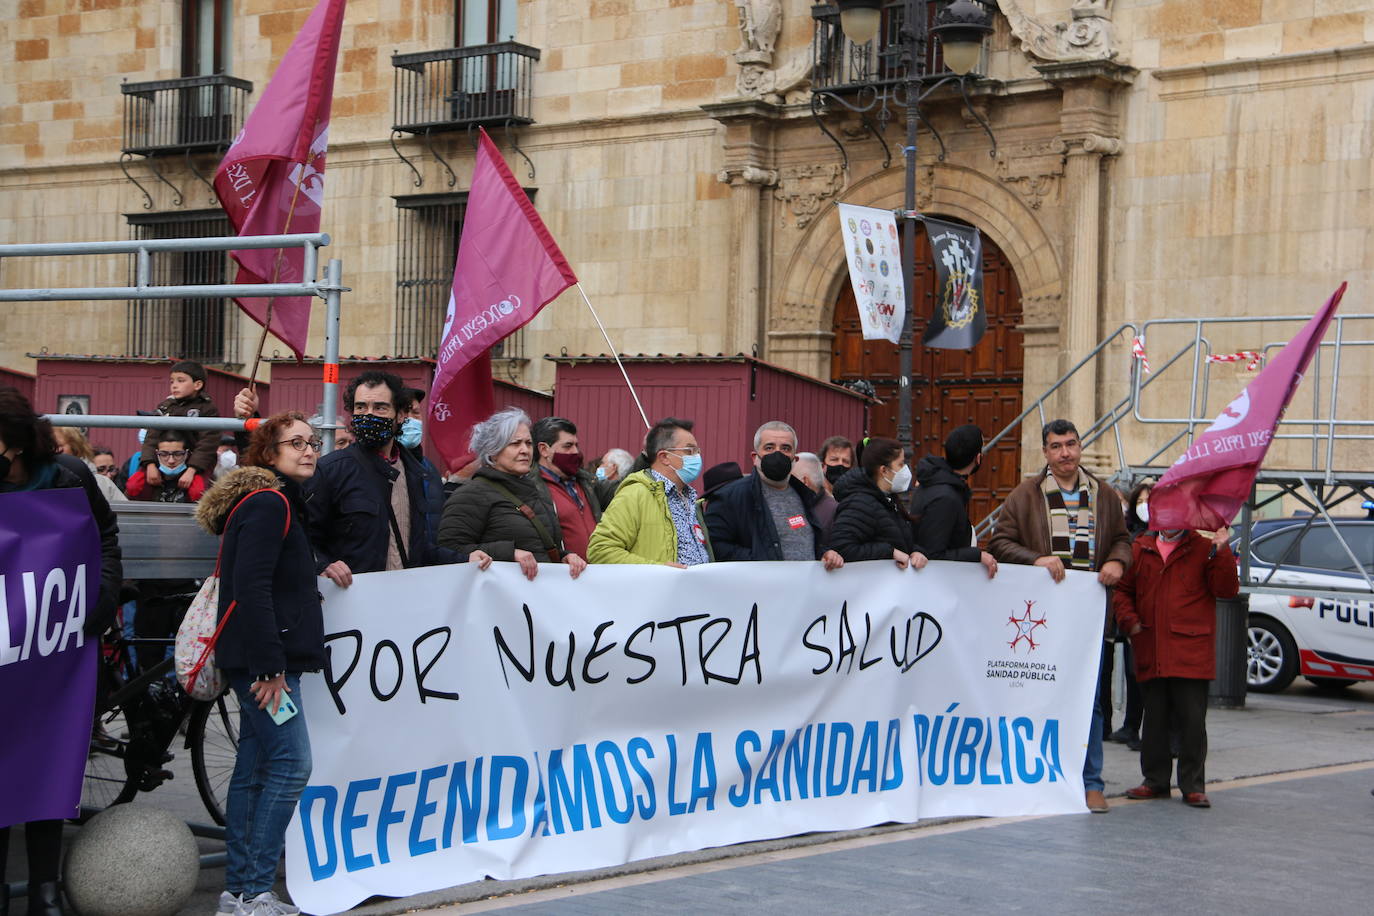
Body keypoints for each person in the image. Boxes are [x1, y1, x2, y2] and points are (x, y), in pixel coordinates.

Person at [193, 411, 324, 916]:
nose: (309, 449)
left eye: (312, 442)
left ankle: (240, 894)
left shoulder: (274, 502)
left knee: (253, 769)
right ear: (269, 454)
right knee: (292, 765)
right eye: (295, 443)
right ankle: (254, 891)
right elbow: (250, 587)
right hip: (266, 663)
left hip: (264, 657)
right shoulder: (269, 503)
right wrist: (270, 668)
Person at [0, 386, 123, 916]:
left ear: (16, 440)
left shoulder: (70, 477)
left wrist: (103, 598)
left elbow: (107, 536)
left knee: (50, 761)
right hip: (8, 649)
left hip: (59, 645)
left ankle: (45, 892)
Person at [988, 419, 1132, 814]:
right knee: (1037, 695)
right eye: (1057, 446)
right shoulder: (1026, 495)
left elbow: (1122, 538)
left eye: (1071, 444)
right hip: (1041, 620)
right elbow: (1000, 542)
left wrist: (1118, 562)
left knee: (1090, 701)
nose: (1065, 453)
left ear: (1080, 447)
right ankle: (1034, 776)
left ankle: (1091, 783)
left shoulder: (1102, 494)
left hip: (1087, 620)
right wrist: (1036, 558)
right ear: (1046, 453)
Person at [304, 370, 478, 587]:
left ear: (400, 415)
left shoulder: (415, 472)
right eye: (360, 407)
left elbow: (416, 546)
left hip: (403, 600)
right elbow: (303, 538)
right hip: (350, 603)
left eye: (380, 407)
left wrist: (465, 560)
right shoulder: (331, 470)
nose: (368, 415)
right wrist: (323, 565)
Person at [1115, 523, 1239, 809]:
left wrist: (1222, 551)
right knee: (1154, 719)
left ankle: (1193, 785)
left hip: (1190, 648)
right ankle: (1155, 781)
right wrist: (1129, 621)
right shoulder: (1141, 547)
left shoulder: (1202, 547)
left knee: (1192, 721)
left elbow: (1226, 589)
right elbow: (1123, 591)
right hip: (1151, 643)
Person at [438, 408, 586, 580]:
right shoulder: (470, 495)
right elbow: (449, 551)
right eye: (515, 443)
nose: (525, 450)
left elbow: (538, 546)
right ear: (493, 451)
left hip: (537, 597)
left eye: (528, 443)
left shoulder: (534, 492)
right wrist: (509, 553)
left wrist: (563, 557)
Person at [706, 421, 843, 569]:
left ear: (794, 459)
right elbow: (716, 545)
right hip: (760, 588)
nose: (777, 454)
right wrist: (764, 562)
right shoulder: (730, 497)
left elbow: (806, 543)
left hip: (803, 588)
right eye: (769, 447)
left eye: (785, 448)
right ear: (754, 457)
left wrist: (824, 553)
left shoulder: (804, 495)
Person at [587, 417, 713, 566]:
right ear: (664, 457)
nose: (697, 457)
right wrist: (657, 569)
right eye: (689, 451)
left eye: (697, 451)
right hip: (658, 588)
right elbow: (600, 550)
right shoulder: (635, 494)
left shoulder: (690, 499)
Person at [828, 437, 928, 570]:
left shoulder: (887, 500)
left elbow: (899, 539)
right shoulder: (860, 503)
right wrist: (889, 552)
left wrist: (916, 552)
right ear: (884, 470)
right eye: (901, 464)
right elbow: (842, 548)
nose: (905, 469)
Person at [911, 424, 996, 577]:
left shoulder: (939, 484)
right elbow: (934, 555)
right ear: (977, 458)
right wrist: (977, 555)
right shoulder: (945, 497)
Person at [1106, 481, 1152, 750]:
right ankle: (1131, 726)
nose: (1144, 506)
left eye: (1149, 501)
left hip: (1148, 616)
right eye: (1140, 501)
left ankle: (1145, 729)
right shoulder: (1129, 534)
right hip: (1130, 617)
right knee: (1132, 675)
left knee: (1144, 677)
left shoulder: (1155, 537)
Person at [528, 416, 604, 560]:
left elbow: (619, 489)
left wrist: (647, 453)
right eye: (568, 446)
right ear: (544, 450)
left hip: (596, 572)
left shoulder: (586, 481)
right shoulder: (531, 488)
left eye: (577, 445)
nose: (575, 451)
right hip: (563, 576)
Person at [137, 360, 220, 491]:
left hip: (195, 464)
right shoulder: (166, 406)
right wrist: (150, 464)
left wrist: (192, 469)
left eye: (180, 381)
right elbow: (151, 437)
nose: (174, 386)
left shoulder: (207, 409)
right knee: (135, 486)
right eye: (172, 381)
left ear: (197, 384)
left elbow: (207, 444)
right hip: (162, 460)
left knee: (197, 491)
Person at [397, 388, 446, 550]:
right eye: (405, 413)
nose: (411, 420)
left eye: (416, 413)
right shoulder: (382, 465)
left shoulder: (429, 469)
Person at [125, 431, 208, 502]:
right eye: (164, 454)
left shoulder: (200, 483)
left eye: (178, 454)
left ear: (187, 453)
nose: (171, 460)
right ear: (156, 454)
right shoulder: (141, 482)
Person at [53, 426, 126, 504]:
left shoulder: (103, 483)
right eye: (101, 469)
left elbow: (124, 512)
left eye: (58, 446)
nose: (53, 450)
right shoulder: (42, 479)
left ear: (75, 448)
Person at [791, 452, 837, 539]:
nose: (787, 484)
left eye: (791, 478)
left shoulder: (835, 512)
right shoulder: (794, 506)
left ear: (804, 481)